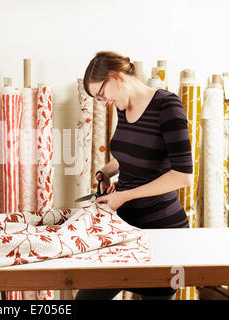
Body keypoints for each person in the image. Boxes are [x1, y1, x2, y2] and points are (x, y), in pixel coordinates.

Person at [75, 51, 193, 300]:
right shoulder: (123, 107)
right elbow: (131, 154)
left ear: (116, 77)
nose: (103, 101)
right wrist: (106, 171)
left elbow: (183, 176)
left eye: (101, 94)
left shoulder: (168, 106)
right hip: (127, 228)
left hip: (162, 231)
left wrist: (125, 195)